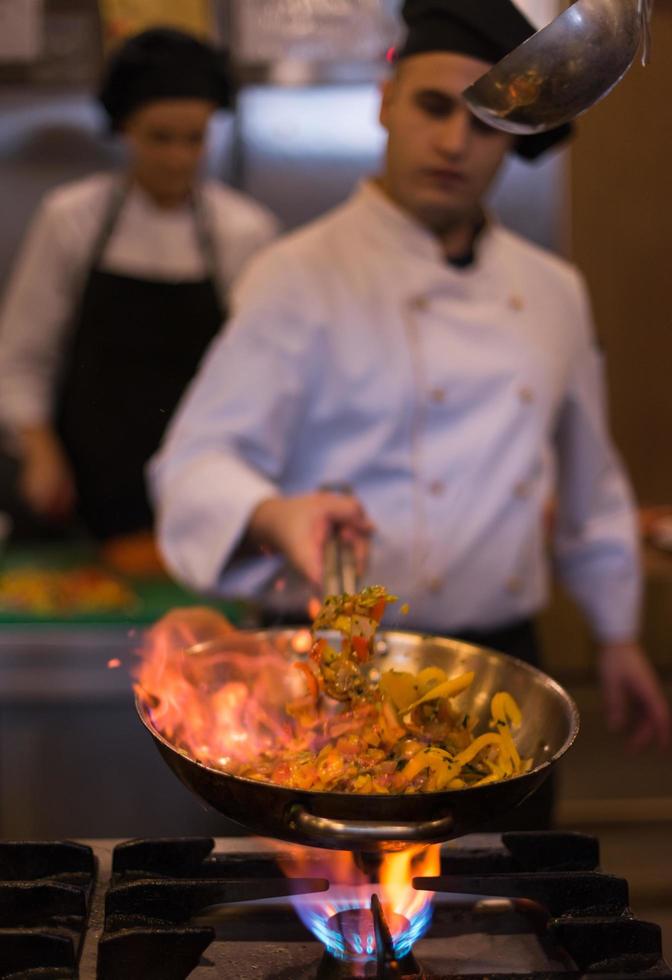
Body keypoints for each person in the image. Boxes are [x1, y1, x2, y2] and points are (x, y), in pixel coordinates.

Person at [150, 0, 671, 824]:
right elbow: (192, 464)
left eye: (486, 124)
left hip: (496, 684)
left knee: (509, 924)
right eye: (434, 106)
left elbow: (590, 480)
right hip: (326, 675)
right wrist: (273, 512)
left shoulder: (552, 291)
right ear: (387, 100)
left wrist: (615, 633)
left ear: (516, 136)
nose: (456, 144)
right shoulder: (297, 275)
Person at [0, 27, 278, 543]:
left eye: (193, 139)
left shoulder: (244, 230)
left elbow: (264, 370)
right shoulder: (71, 219)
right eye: (160, 137)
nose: (178, 157)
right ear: (125, 130)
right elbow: (20, 356)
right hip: (83, 493)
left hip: (203, 489)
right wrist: (38, 448)